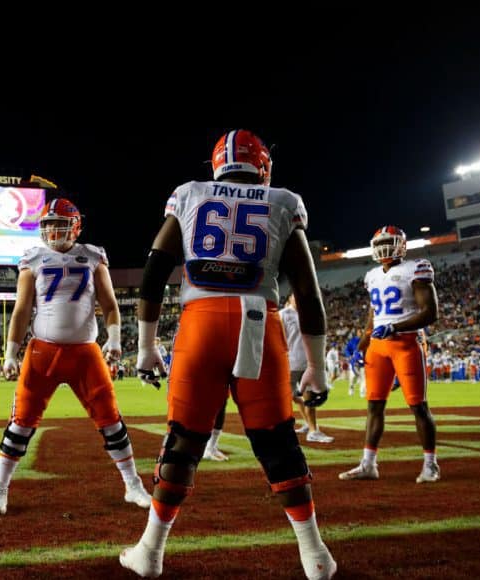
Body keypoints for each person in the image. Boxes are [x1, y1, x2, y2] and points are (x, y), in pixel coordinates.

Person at [121, 130, 334, 579]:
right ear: (263, 166)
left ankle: (151, 551)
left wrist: (144, 345)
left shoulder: (189, 194)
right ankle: (314, 555)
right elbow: (308, 291)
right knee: (278, 442)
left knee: (184, 439)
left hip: (200, 322)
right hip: (260, 320)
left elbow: (157, 266)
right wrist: (315, 365)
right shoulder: (282, 200)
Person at [0, 197, 152, 516]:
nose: (52, 233)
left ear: (75, 227)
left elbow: (108, 303)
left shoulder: (92, 256)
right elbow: (21, 310)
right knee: (20, 423)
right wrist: (10, 353)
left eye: (59, 226)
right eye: (47, 226)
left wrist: (115, 338)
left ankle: (133, 486)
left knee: (111, 420)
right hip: (42, 351)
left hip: (85, 353)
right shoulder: (33, 258)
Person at [339, 226, 440, 484]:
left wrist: (396, 326)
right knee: (374, 406)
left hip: (405, 343)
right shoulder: (372, 275)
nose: (384, 247)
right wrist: (361, 345)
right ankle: (368, 464)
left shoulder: (414, 269)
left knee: (418, 406)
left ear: (402, 245)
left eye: (390, 242)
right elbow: (374, 316)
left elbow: (430, 312)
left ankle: (431, 465)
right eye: (381, 242)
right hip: (378, 346)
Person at [283, 295, 334, 443]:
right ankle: (301, 425)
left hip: (308, 363)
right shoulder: (283, 314)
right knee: (288, 397)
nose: (298, 299)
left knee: (310, 399)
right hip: (289, 363)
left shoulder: (310, 313)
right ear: (290, 299)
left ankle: (313, 431)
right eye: (294, 296)